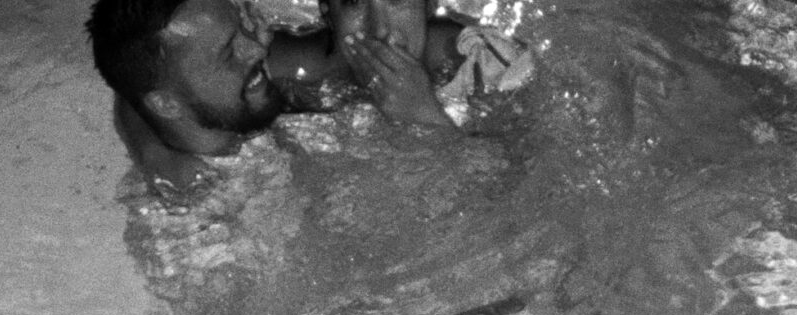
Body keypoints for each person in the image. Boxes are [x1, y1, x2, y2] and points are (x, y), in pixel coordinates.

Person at [87, 0, 524, 183]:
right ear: (327, 12)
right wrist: (155, 152)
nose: (379, 30)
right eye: (354, 2)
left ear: (429, 4)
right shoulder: (300, 66)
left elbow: (524, 180)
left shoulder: (478, 63)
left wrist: (425, 121)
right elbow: (145, 83)